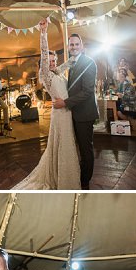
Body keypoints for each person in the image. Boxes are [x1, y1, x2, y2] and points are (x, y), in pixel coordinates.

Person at [13, 19, 80, 190]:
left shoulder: (57, 72)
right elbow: (43, 52)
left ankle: (65, 173)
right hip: (60, 114)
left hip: (66, 111)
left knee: (66, 143)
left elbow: (72, 61)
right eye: (48, 61)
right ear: (43, 64)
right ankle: (61, 177)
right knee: (62, 143)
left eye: (53, 60)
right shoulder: (47, 76)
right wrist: (43, 33)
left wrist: (78, 48)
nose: (52, 63)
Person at [51, 33, 99, 190]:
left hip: (84, 114)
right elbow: (56, 71)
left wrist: (64, 102)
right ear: (68, 47)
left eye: (76, 44)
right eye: (71, 45)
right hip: (74, 113)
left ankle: (85, 183)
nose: (74, 47)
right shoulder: (71, 62)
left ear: (82, 46)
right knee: (76, 147)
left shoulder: (89, 63)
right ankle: (79, 176)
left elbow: (87, 92)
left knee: (85, 150)